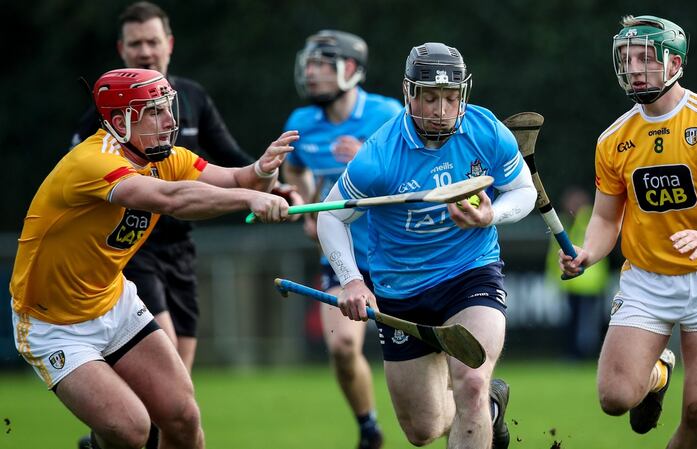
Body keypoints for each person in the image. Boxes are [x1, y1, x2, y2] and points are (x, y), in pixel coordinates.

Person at [10, 68, 296, 449]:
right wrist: (250, 199)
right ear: (119, 121)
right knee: (130, 429)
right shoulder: (92, 162)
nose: (170, 120)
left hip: (113, 303)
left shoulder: (166, 157)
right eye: (154, 111)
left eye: (168, 107)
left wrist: (261, 171)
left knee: (183, 418)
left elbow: (238, 180)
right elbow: (171, 199)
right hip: (53, 323)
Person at [559, 15, 697, 448]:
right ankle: (659, 373)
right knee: (615, 397)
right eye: (627, 58)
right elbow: (604, 219)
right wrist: (588, 252)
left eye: (646, 58)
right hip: (648, 280)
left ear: (675, 64)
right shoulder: (614, 139)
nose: (634, 68)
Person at [317, 42, 538, 449]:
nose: (441, 109)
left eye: (450, 98)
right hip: (402, 291)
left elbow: (522, 190)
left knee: (471, 380)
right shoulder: (379, 156)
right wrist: (351, 281)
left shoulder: (485, 131)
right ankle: (490, 409)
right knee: (423, 430)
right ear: (410, 93)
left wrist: (492, 216)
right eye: (430, 98)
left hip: (470, 273)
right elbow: (330, 216)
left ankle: (479, 399)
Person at [282, 30, 402, 449]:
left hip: (397, 255)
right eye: (309, 64)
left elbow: (413, 172)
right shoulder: (300, 124)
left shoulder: (388, 113)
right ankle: (369, 427)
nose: (311, 74)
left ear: (350, 70)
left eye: (322, 64)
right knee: (341, 347)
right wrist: (304, 201)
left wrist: (368, 159)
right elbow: (294, 170)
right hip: (342, 256)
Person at [545, 187, 610, 360]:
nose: (570, 205)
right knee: (573, 321)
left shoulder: (589, 218)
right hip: (570, 282)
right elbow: (554, 254)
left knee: (587, 323)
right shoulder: (565, 222)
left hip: (590, 282)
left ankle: (586, 354)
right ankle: (576, 353)